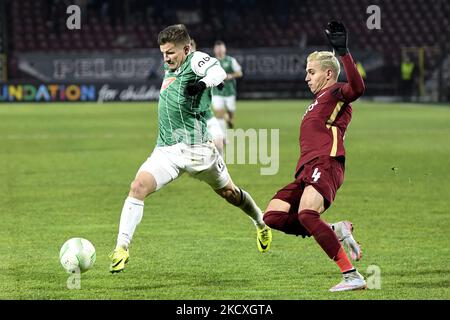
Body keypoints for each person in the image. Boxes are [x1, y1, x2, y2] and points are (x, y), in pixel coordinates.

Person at [109, 24, 272, 273]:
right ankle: (121, 248)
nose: (166, 58)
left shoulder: (195, 59)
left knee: (230, 194)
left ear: (186, 48)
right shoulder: (169, 64)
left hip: (198, 149)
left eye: (171, 52)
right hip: (166, 150)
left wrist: (202, 84)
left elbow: (217, 71)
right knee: (137, 187)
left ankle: (260, 222)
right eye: (163, 52)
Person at [263, 21, 366, 292]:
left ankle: (351, 275)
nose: (306, 77)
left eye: (311, 72)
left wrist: (344, 52)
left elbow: (357, 89)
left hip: (327, 162)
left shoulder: (336, 92)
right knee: (272, 216)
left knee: (308, 215)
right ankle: (336, 230)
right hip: (306, 169)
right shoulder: (316, 102)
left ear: (329, 74)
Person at [190, 38, 224, 156]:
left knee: (219, 144)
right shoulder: (179, 70)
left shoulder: (201, 63)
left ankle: (220, 171)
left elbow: (214, 72)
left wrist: (218, 81)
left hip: (206, 113)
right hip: (190, 118)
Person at [211, 40, 243, 136]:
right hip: (217, 92)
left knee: (230, 113)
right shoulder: (212, 62)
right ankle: (223, 136)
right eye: (217, 48)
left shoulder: (231, 60)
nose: (219, 50)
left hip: (230, 92)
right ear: (214, 50)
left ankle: (229, 119)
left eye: (221, 48)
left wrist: (230, 76)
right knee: (219, 113)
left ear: (225, 49)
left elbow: (240, 73)